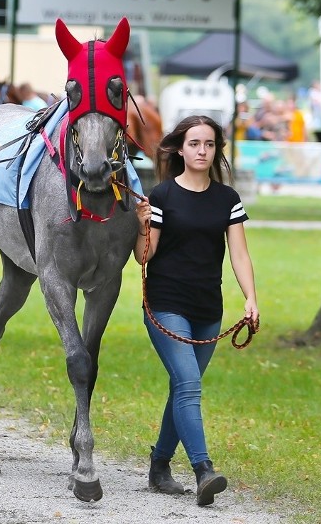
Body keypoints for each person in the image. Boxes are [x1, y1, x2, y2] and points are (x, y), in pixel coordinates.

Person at [133, 115, 258, 507]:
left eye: (208, 144)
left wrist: (251, 298)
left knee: (181, 388)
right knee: (188, 384)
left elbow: (239, 253)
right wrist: (141, 227)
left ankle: (159, 466)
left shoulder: (227, 199)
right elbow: (143, 256)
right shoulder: (162, 196)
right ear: (180, 149)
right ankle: (204, 469)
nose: (202, 150)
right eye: (194, 144)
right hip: (166, 304)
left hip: (209, 309)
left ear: (217, 149)